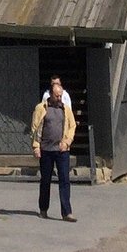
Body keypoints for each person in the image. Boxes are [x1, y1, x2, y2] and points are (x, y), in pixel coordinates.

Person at [31, 78, 77, 221]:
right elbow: (35, 128)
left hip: (62, 149)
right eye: (57, 95)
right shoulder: (41, 109)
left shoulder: (66, 109)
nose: (59, 98)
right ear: (50, 94)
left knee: (64, 180)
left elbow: (72, 126)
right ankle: (43, 208)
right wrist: (36, 146)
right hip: (46, 150)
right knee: (46, 180)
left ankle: (66, 212)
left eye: (60, 95)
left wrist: (67, 141)